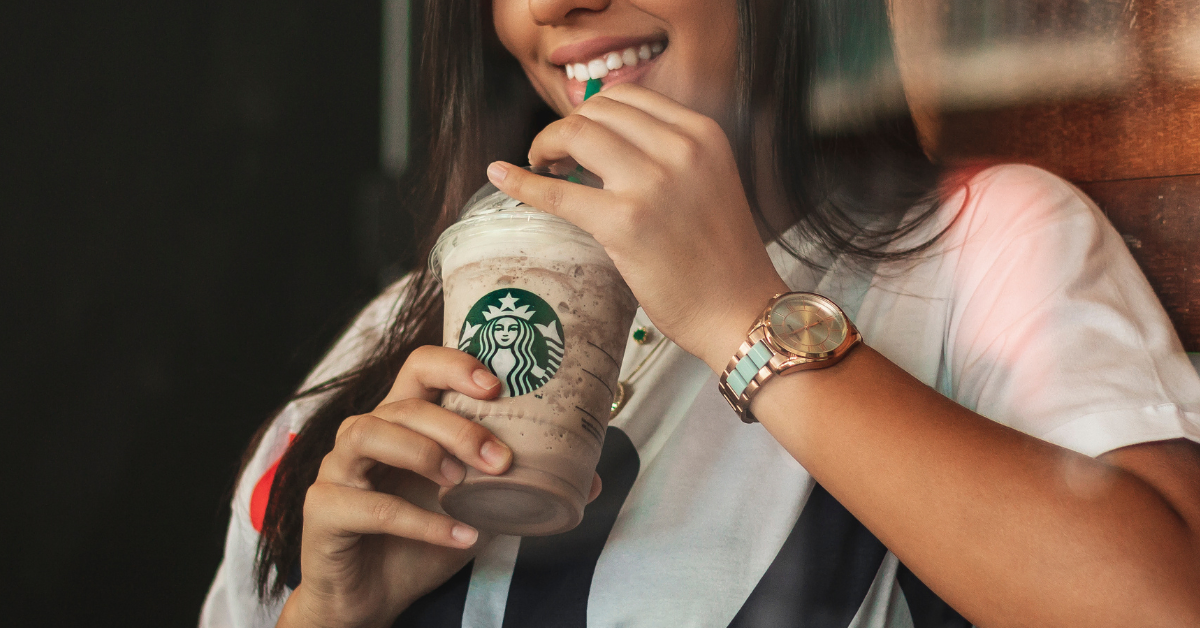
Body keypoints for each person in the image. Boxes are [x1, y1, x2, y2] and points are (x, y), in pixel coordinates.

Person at [201, 1, 1200, 627]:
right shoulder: (394, 338)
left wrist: (740, 315)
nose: (556, 6)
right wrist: (325, 617)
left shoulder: (981, 244)